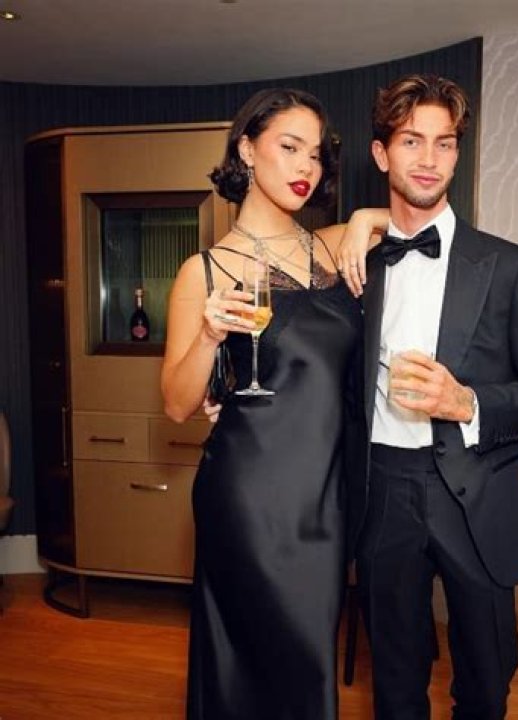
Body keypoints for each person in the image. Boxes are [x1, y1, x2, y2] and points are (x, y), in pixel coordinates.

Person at [338, 74, 518, 719]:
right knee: (394, 678)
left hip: (478, 489)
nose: (429, 159)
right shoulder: (355, 264)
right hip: (382, 490)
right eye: (411, 141)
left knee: (486, 677)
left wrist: (468, 403)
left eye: (444, 143)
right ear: (381, 153)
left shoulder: (513, 267)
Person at [161, 87, 385, 720]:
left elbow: (417, 219)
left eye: (315, 153)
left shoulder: (334, 248)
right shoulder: (203, 271)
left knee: (308, 656)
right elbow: (177, 404)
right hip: (249, 497)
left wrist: (366, 217)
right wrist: (209, 335)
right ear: (247, 150)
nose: (305, 166)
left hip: (328, 496)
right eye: (289, 147)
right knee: (265, 661)